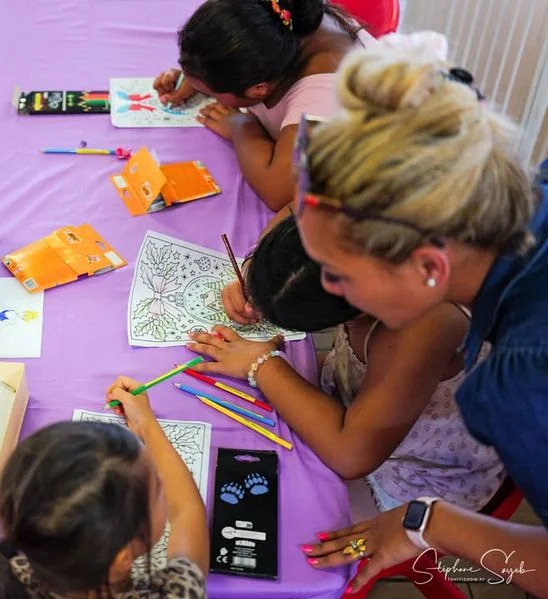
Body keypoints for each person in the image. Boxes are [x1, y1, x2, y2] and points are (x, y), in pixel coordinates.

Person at [284, 42, 548, 594]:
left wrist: (432, 522)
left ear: (428, 266)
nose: (328, 290)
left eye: (338, 272)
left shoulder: (521, 383)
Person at [188, 215, 508, 516]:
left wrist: (261, 364)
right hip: (361, 407)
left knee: (278, 510)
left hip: (417, 478)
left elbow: (351, 456)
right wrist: (258, 273)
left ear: (355, 309)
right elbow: (291, 205)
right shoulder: (351, 235)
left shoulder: (422, 325)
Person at [0, 379, 209, 598]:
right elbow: (187, 512)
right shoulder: (173, 593)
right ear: (121, 559)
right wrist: (147, 425)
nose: (164, 484)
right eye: (157, 492)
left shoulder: (14, 570)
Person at [154, 0, 372, 211]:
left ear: (258, 89)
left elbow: (279, 192)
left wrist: (242, 127)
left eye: (214, 93)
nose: (209, 96)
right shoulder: (278, 18)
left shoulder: (325, 97)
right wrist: (200, 73)